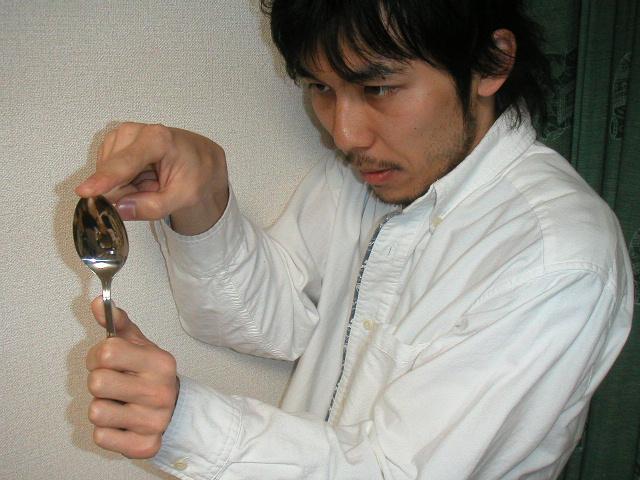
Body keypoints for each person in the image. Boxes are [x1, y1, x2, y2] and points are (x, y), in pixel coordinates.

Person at [76, 0, 634, 478]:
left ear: (492, 62)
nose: (344, 134)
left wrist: (184, 420)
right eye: (321, 87)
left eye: (378, 88)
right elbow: (272, 324)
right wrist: (204, 199)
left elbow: (397, 471)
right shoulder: (371, 174)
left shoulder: (557, 257)